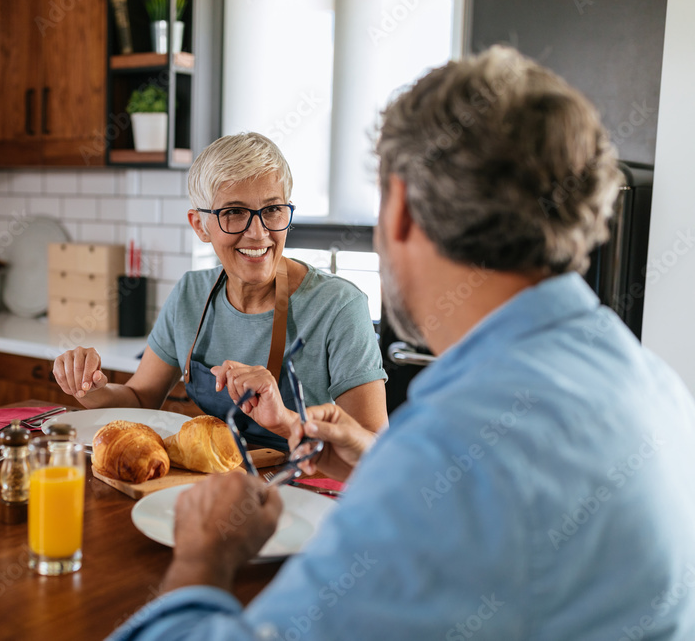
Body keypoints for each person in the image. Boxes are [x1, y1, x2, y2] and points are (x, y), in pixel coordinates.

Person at [107, 46, 695, 639]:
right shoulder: (658, 387)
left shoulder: (455, 448)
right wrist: (381, 464)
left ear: (403, 212)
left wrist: (203, 555)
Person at [53, 132, 388, 450]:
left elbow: (373, 447)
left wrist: (284, 420)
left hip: (302, 489)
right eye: (234, 212)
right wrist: (90, 387)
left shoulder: (339, 307)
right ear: (200, 225)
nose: (258, 233)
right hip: (212, 485)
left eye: (272, 210)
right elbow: (140, 399)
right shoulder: (190, 294)